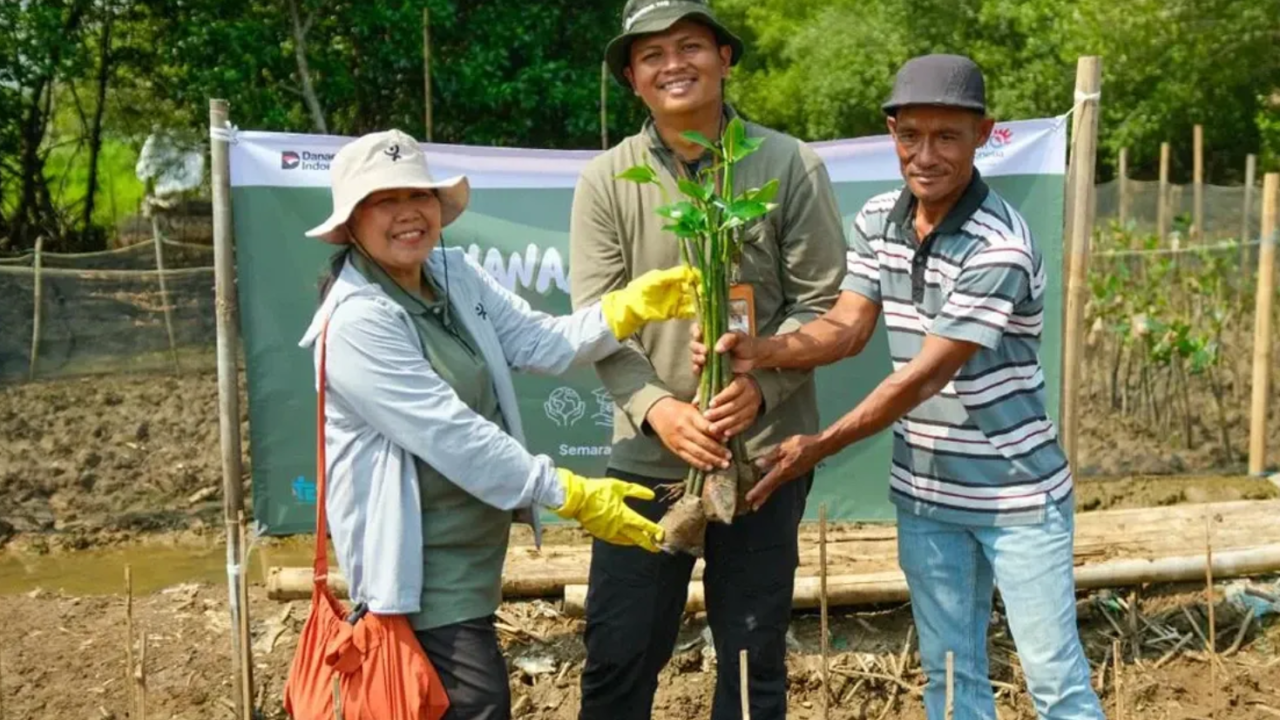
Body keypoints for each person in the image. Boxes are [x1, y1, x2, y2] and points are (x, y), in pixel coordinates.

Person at [694, 55, 1106, 719]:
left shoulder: (999, 245)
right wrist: (759, 350)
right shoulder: (879, 217)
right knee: (950, 677)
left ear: (983, 135)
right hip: (927, 494)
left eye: (947, 137)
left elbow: (925, 375)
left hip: (1017, 496)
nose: (926, 155)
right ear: (892, 132)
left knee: (1055, 684)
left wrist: (819, 446)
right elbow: (847, 328)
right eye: (910, 135)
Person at [298, 129, 700, 720]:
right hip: (417, 567)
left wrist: (626, 308)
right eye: (384, 201)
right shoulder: (358, 321)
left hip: (471, 557)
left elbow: (540, 341)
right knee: (476, 703)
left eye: (418, 195)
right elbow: (452, 434)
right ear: (352, 222)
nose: (407, 212)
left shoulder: (453, 273)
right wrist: (569, 492)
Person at [568, 1, 846, 718]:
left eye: (690, 45)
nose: (673, 65)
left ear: (724, 57)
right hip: (648, 461)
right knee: (619, 655)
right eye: (651, 54)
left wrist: (764, 384)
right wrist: (660, 409)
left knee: (753, 664)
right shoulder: (608, 179)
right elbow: (597, 322)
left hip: (764, 460)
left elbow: (822, 304)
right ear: (632, 77)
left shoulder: (788, 164)